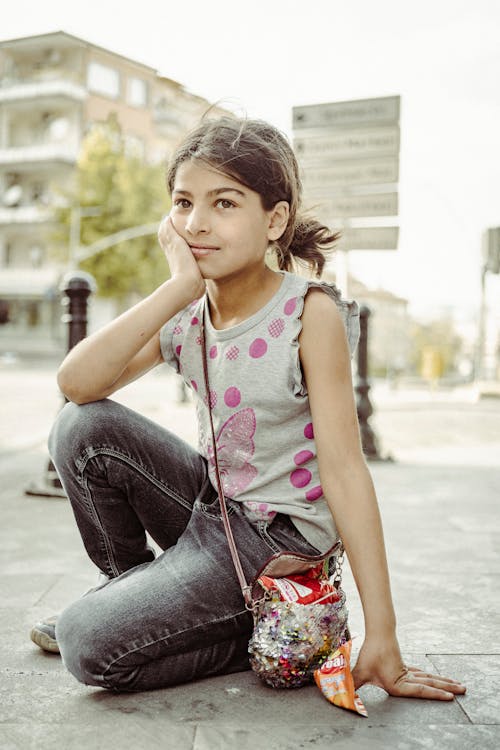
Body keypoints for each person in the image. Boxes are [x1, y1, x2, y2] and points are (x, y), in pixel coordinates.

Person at [31, 116, 465, 701]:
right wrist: (177, 289)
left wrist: (382, 635)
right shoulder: (185, 312)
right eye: (183, 203)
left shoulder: (310, 315)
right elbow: (76, 384)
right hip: (213, 507)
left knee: (87, 646)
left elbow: (345, 469)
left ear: (275, 219)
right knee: (82, 428)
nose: (197, 223)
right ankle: (131, 603)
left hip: (274, 542)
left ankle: (255, 633)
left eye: (225, 203)